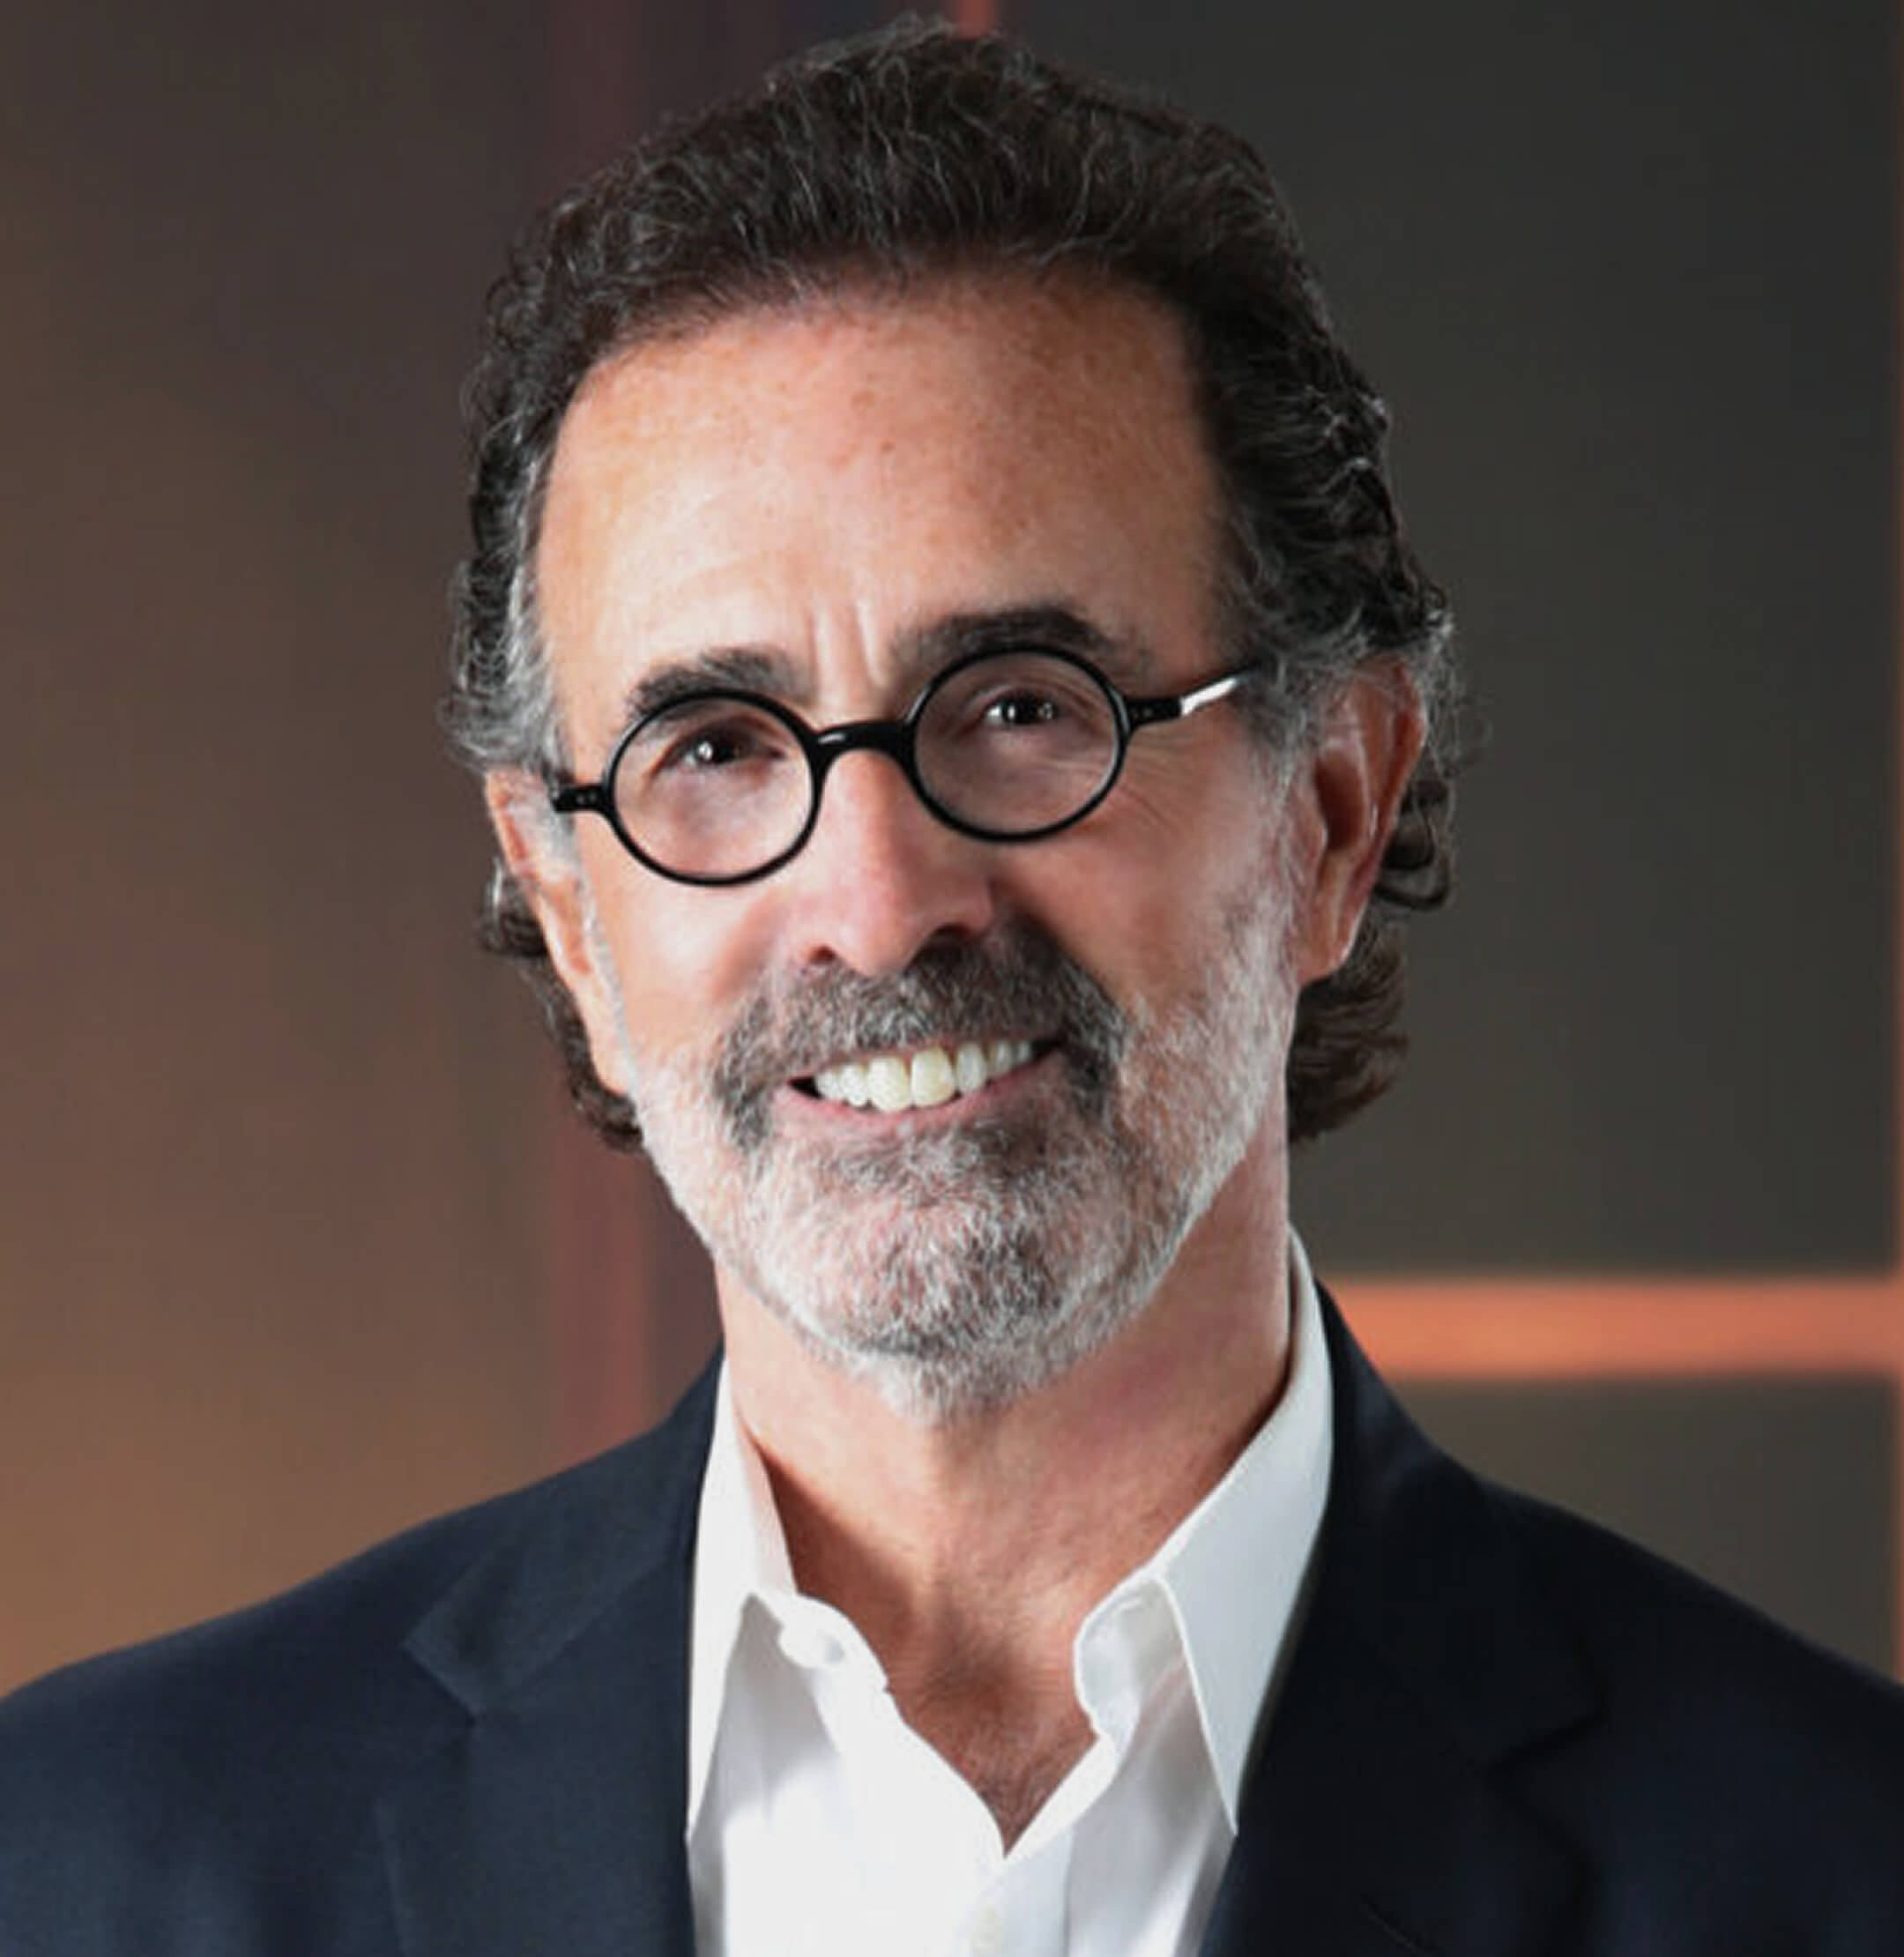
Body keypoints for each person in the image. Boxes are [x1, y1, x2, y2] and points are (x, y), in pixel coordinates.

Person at [4, 21, 1900, 1955]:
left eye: (1018, 708)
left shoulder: (1841, 1873)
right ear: (573, 917)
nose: (879, 902)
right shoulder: (81, 1870)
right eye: (719, 748)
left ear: (1332, 811)